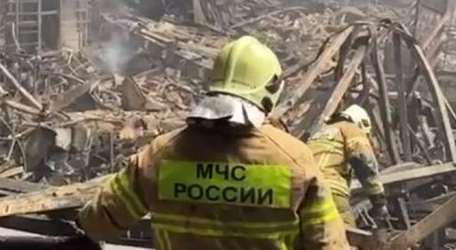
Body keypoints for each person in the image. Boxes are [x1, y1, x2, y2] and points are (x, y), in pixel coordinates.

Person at [77, 36, 350, 250]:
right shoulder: (295, 160)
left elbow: (95, 223)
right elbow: (328, 244)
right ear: (270, 90)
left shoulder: (159, 155)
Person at [307, 104, 389, 229]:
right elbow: (365, 162)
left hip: (302, 190)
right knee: (346, 234)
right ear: (360, 124)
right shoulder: (351, 128)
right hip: (328, 188)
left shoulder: (319, 133)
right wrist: (379, 201)